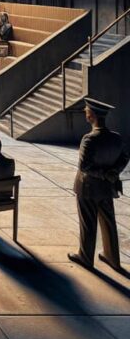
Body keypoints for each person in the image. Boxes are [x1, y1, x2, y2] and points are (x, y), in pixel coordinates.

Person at [68, 98, 129, 271]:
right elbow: (124, 158)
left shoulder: (89, 139)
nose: (85, 113)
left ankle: (85, 257)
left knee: (88, 223)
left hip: (87, 188)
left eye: (87, 111)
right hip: (107, 187)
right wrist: (113, 173)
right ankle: (112, 258)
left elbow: (84, 166)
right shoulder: (116, 137)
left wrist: (103, 174)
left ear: (91, 115)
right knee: (109, 223)